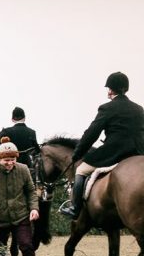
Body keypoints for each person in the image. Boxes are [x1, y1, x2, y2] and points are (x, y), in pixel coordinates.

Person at [60, 72, 144, 219]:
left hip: (115, 152)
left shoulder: (107, 108)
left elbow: (92, 134)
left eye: (109, 89)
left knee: (81, 170)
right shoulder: (139, 109)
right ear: (126, 88)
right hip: (137, 153)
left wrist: (77, 153)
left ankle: (75, 208)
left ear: (111, 89)